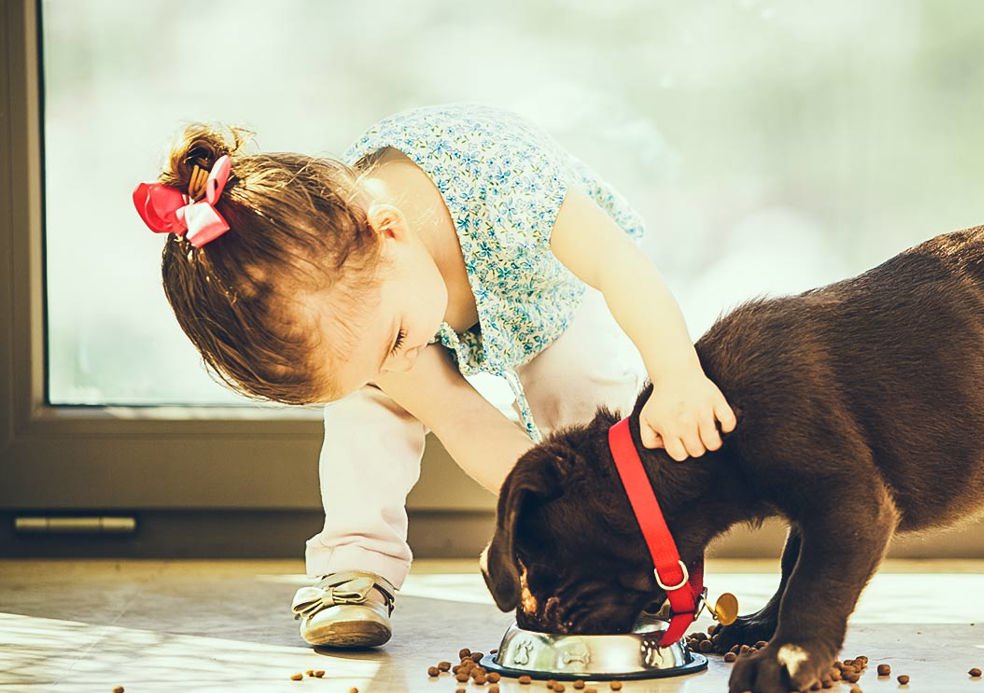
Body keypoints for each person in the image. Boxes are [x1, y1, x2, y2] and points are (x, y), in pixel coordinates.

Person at [132, 103, 736, 648]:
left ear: (390, 231)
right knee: (367, 414)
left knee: (582, 389)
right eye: (373, 364)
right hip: (398, 301)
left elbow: (616, 263)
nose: (398, 366)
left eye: (394, 343)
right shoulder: (367, 312)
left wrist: (678, 373)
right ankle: (354, 565)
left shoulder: (508, 187)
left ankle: (621, 555)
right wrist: (533, 517)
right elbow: (458, 414)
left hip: (543, 288)